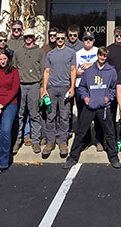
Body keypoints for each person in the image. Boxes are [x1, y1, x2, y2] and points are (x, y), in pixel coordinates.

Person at [63, 46, 121, 170]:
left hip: (103, 107)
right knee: (80, 132)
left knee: (110, 133)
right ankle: (73, 157)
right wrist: (85, 98)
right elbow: (82, 86)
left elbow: (114, 88)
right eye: (100, 55)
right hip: (90, 106)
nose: (102, 58)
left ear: (106, 57)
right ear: (98, 56)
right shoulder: (89, 71)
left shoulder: (111, 71)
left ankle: (114, 157)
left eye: (104, 56)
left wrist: (108, 98)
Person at [42, 29, 76, 159]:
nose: (60, 40)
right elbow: (46, 71)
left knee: (64, 116)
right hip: (51, 88)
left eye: (62, 38)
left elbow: (73, 70)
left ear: (65, 39)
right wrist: (44, 89)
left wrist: (72, 87)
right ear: (55, 39)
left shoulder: (71, 53)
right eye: (58, 38)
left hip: (65, 88)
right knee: (50, 116)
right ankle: (50, 141)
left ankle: (63, 142)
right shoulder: (50, 54)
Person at [13, 27, 45, 155]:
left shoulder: (40, 52)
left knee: (34, 114)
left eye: (30, 37)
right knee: (20, 114)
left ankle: (35, 140)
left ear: (34, 38)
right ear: (23, 38)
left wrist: (42, 87)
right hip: (21, 85)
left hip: (34, 85)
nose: (28, 39)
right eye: (26, 37)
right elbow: (14, 69)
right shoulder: (18, 52)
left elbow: (43, 70)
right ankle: (17, 139)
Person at [0, 50, 20, 172]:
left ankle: (5, 161)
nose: (2, 61)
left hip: (9, 105)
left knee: (6, 131)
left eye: (4, 59)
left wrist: (2, 104)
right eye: (0, 59)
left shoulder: (14, 71)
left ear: (8, 59)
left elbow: (14, 89)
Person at [74, 30, 102, 151]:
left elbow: (102, 65)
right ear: (83, 40)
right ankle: (85, 140)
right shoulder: (78, 53)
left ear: (94, 40)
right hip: (81, 86)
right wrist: (82, 71)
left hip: (96, 86)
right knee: (83, 116)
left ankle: (99, 140)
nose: (88, 41)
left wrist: (89, 66)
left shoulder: (97, 51)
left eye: (90, 39)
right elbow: (75, 70)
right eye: (86, 39)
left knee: (98, 115)